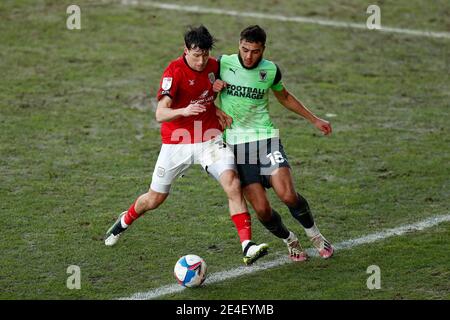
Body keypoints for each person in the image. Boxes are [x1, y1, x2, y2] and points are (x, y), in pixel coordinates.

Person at [104, 25, 268, 266]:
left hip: (209, 138)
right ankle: (123, 222)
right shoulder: (174, 72)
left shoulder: (214, 65)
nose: (201, 61)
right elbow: (160, 113)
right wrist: (184, 110)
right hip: (177, 142)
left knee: (233, 183)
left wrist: (217, 106)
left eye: (205, 54)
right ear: (185, 50)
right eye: (196, 55)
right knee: (154, 199)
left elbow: (210, 91)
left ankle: (247, 246)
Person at [213, 25, 334, 261]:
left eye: (255, 51)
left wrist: (314, 119)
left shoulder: (270, 71)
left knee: (288, 195)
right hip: (237, 148)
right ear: (239, 44)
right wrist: (214, 96)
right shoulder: (222, 64)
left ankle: (315, 235)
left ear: (263, 50)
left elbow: (285, 97)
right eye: (245, 49)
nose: (249, 56)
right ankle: (290, 240)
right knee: (262, 210)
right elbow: (200, 94)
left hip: (265, 140)